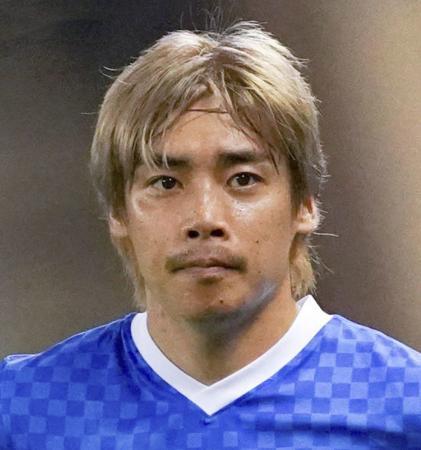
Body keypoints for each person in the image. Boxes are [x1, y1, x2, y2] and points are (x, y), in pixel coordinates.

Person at [1, 21, 420, 449]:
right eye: (166, 183)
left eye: (243, 179)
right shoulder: (24, 409)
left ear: (304, 205)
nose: (204, 217)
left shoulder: (403, 405)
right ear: (118, 213)